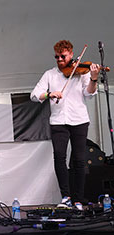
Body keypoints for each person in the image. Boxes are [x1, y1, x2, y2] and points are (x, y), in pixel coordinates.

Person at [30, 40, 101, 210]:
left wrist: (93, 78)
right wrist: (48, 94)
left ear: (71, 54)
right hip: (58, 121)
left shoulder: (82, 72)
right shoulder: (50, 74)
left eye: (63, 56)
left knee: (78, 159)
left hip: (79, 120)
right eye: (57, 56)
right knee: (59, 157)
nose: (60, 59)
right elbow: (34, 95)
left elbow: (89, 93)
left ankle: (78, 198)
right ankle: (66, 197)